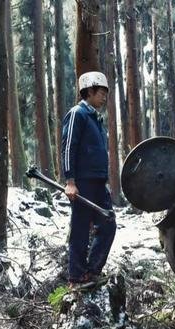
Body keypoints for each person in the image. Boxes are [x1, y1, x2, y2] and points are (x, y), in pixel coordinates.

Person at [61, 71, 116, 287]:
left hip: (98, 182)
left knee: (109, 224)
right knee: (81, 228)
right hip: (82, 183)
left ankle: (92, 272)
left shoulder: (95, 118)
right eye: (101, 93)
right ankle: (76, 277)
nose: (104, 98)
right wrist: (70, 181)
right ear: (89, 91)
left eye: (105, 94)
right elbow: (68, 147)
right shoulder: (78, 113)